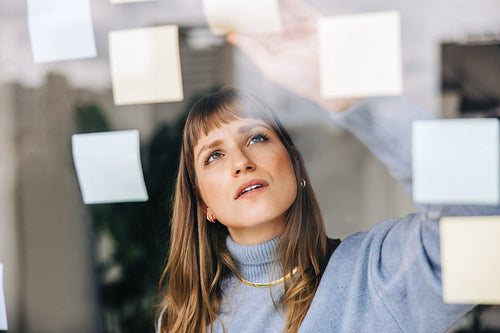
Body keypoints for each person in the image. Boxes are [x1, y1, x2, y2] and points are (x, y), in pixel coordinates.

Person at [156, 1, 500, 332]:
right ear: (203, 204)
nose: (241, 163)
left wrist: (351, 96)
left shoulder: (374, 276)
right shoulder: (181, 321)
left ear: (295, 163)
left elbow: (484, 216)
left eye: (257, 138)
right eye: (214, 156)